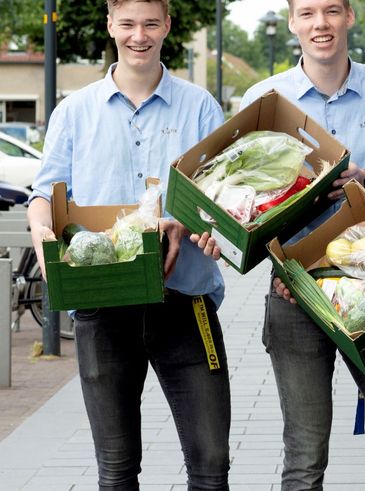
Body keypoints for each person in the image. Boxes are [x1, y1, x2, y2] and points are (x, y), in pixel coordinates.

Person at [26, 0, 231, 488]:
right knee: (116, 471)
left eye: (151, 24)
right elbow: (44, 193)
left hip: (186, 302)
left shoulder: (200, 106)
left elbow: (221, 196)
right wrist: (42, 234)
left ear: (166, 26)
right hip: (101, 308)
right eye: (128, 24)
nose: (139, 35)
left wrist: (185, 224)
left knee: (211, 465)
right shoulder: (74, 111)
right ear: (111, 26)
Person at [239, 1, 365, 489]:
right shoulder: (264, 98)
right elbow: (242, 200)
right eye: (307, 12)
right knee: (304, 454)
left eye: (331, 10)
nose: (321, 24)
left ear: (350, 16)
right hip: (295, 293)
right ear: (292, 22)